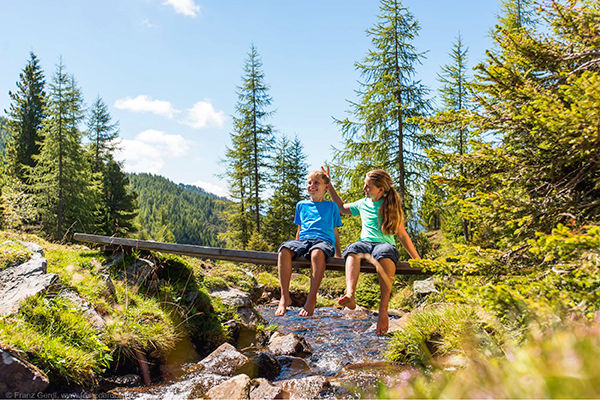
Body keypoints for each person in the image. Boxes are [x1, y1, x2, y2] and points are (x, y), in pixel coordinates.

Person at [322, 167, 421, 335]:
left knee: (385, 255)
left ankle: (383, 311)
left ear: (380, 190)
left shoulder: (391, 205)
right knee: (352, 250)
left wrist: (417, 259)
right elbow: (341, 207)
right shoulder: (362, 203)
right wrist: (329, 185)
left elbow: (402, 235)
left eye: (368, 186)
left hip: (384, 244)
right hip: (365, 243)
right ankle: (350, 294)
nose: (364, 189)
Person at [275, 170, 342, 317]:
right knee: (284, 250)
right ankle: (284, 297)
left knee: (317, 253)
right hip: (304, 241)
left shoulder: (331, 207)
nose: (312, 186)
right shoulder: (301, 205)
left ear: (326, 187)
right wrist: (295, 249)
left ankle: (311, 299)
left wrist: (338, 253)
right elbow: (299, 230)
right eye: (309, 183)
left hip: (324, 242)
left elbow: (335, 231)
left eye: (316, 182)